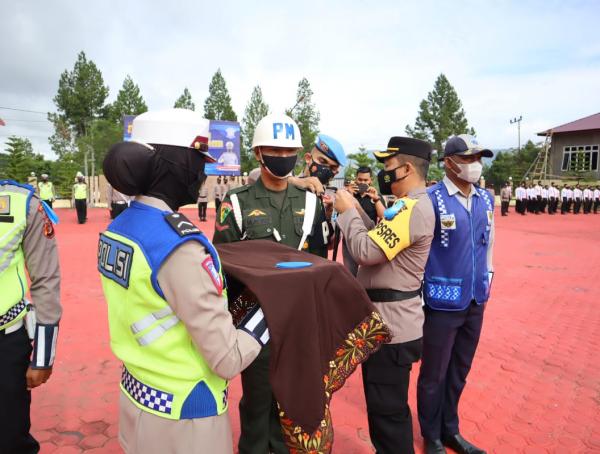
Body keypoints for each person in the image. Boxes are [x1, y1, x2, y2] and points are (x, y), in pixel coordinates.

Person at [99, 108, 265, 454]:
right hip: (186, 413)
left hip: (138, 395)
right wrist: (270, 312)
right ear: (173, 162)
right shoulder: (178, 246)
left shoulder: (119, 228)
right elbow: (228, 358)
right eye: (197, 159)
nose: (202, 171)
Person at [213, 114, 332, 454]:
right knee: (257, 403)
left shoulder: (310, 202)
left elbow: (320, 263)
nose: (283, 156)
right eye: (274, 149)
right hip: (255, 323)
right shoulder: (237, 202)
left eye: (289, 150)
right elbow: (223, 266)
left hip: (298, 322)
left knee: (289, 404)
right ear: (259, 153)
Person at [334, 136, 435, 454]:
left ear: (406, 168)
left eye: (389, 167)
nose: (384, 174)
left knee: (388, 414)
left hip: (392, 328)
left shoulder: (413, 210)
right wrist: (354, 213)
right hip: (388, 324)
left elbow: (364, 251)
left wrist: (348, 213)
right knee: (384, 410)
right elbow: (376, 241)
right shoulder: (405, 207)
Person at [417, 134, 494, 454]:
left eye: (478, 158)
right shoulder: (430, 199)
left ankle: (451, 429)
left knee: (460, 370)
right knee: (434, 373)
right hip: (440, 301)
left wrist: (487, 281)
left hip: (476, 299)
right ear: (449, 163)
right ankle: (431, 435)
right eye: (468, 159)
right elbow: (419, 252)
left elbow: (488, 246)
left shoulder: (485, 199)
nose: (475, 165)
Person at [0, 178, 61, 454]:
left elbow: (45, 280)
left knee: (9, 437)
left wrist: (43, 358)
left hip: (6, 344)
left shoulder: (22, 203)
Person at [342, 166, 385, 275]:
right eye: (360, 179)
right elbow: (342, 213)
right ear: (356, 179)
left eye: (365, 180)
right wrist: (349, 195)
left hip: (370, 238)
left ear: (371, 180)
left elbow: (383, 216)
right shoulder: (349, 194)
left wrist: (376, 199)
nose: (362, 182)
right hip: (350, 238)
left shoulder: (375, 196)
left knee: (369, 272)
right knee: (350, 273)